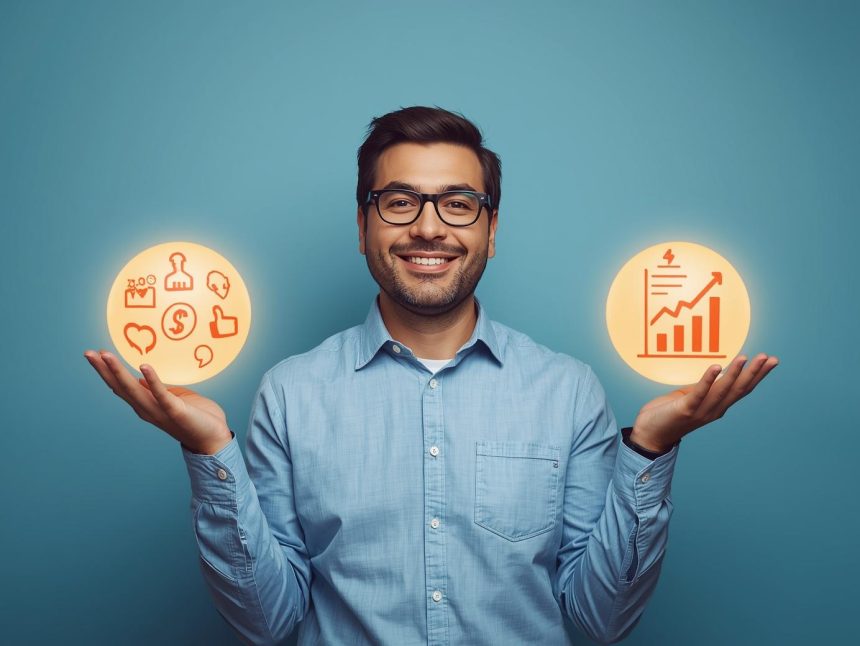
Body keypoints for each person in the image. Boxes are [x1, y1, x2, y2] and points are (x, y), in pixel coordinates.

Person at [83, 106, 778, 645]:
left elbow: (600, 621)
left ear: (490, 230)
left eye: (457, 203)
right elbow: (269, 622)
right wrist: (210, 452)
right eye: (399, 201)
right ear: (363, 226)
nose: (428, 227)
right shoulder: (290, 394)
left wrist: (650, 449)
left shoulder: (568, 393)